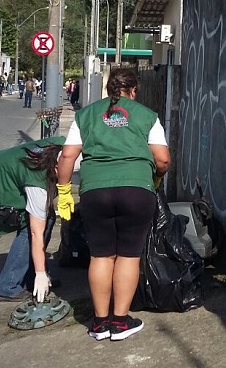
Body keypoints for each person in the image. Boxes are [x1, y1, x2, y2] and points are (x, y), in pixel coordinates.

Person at [56, 68, 171, 342]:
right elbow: (163, 159)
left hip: (96, 191)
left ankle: (99, 322)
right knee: (129, 255)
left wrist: (63, 192)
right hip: (135, 190)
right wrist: (154, 179)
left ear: (108, 90)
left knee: (101, 255)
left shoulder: (86, 115)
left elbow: (67, 156)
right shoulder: (146, 116)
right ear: (134, 91)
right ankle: (120, 322)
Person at [0, 136, 66, 302]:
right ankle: (8, 287)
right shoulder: (37, 181)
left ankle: (32, 278)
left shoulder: (68, 147)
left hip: (15, 167)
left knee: (49, 218)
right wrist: (41, 273)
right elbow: (35, 232)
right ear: (55, 168)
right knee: (29, 228)